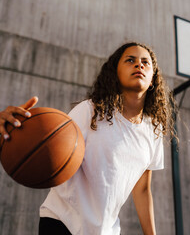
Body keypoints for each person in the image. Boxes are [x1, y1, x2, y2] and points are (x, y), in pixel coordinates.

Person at [0, 42, 175, 235]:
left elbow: (142, 189)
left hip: (106, 230)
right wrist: (20, 132)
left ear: (153, 79)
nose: (139, 65)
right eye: (130, 60)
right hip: (62, 221)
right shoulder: (91, 111)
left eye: (145, 62)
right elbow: (52, 144)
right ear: (115, 72)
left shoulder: (153, 129)